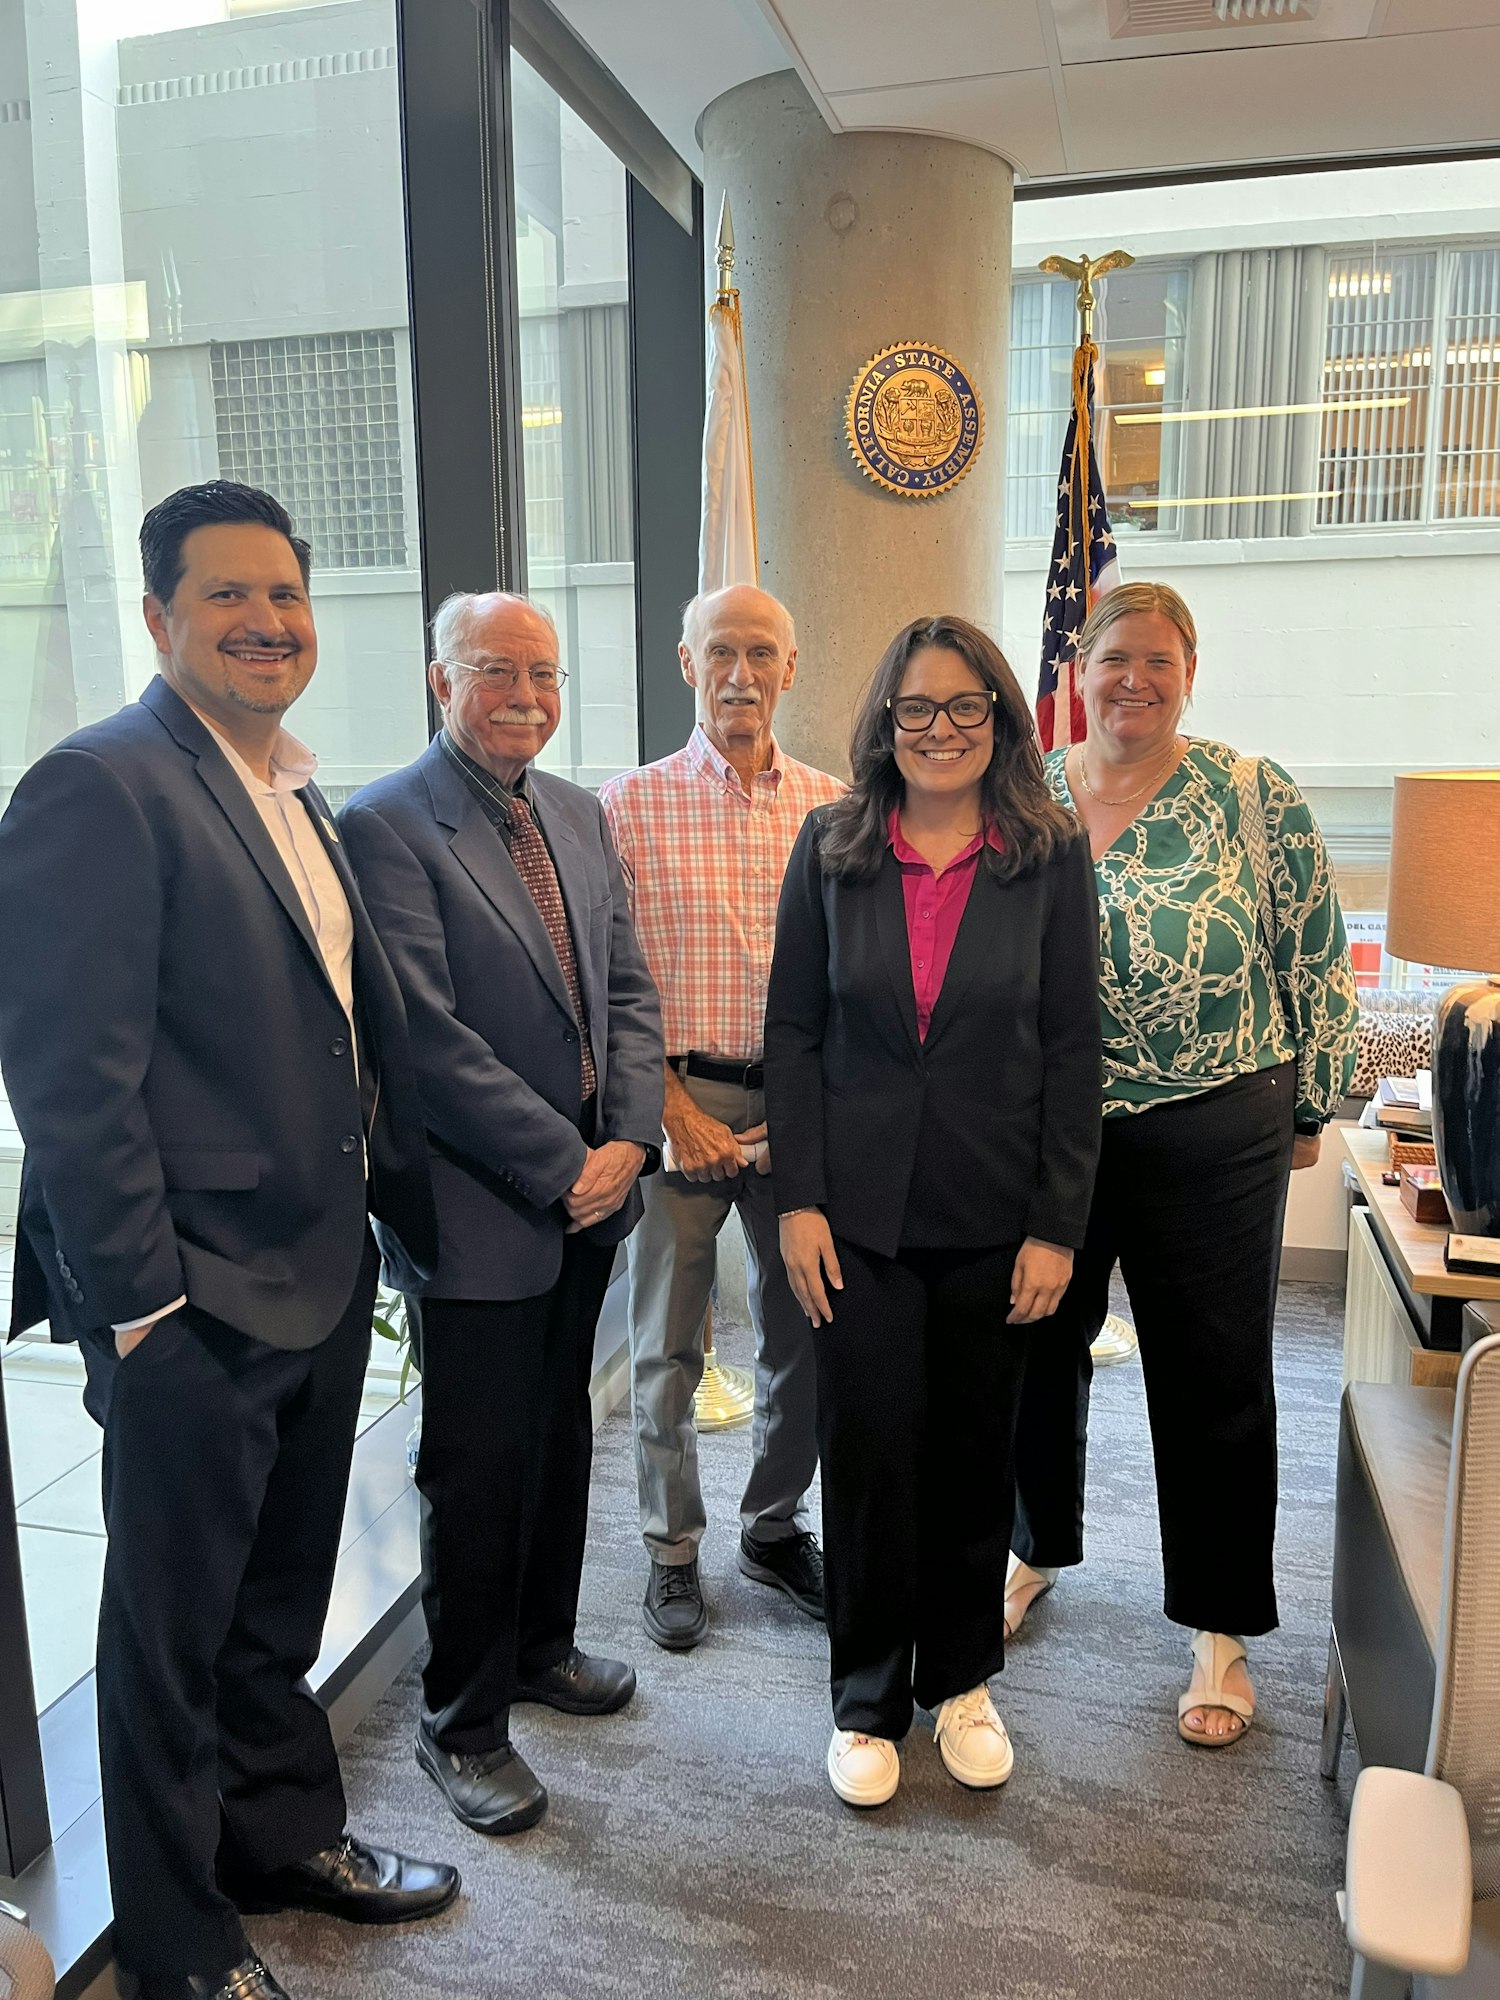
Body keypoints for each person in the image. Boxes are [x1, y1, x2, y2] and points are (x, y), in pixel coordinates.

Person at [0, 482, 457, 2000]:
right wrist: (142, 1316)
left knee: (275, 1607)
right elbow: (73, 1080)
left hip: (315, 1281)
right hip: (189, 1306)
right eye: (227, 598)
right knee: (169, 1645)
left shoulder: (288, 785)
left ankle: (286, 1838)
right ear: (157, 620)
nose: (268, 623)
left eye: (288, 595)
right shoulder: (99, 785)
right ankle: (181, 1951)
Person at [1006, 579, 1358, 1748]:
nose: (1135, 682)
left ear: (1187, 673)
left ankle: (1218, 1627)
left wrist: (1316, 1104)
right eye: (1116, 660)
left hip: (1215, 1122)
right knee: (1034, 1349)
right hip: (1052, 1130)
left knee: (1212, 1374)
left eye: (1160, 662)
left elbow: (1316, 949)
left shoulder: (1250, 793)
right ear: (1081, 670)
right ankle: (1032, 1547)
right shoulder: (1031, 792)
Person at [339, 591, 664, 1838]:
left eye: (545, 672)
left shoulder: (578, 812)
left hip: (592, 1192)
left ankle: (543, 1645)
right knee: (474, 1468)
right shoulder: (384, 824)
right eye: (496, 671)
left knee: (561, 1434)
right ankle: (460, 1720)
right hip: (479, 1207)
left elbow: (627, 983)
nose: (526, 694)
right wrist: (561, 1159)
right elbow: (423, 1035)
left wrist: (627, 1137)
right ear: (439, 680)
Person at [763, 614, 1102, 1808]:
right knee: (864, 1453)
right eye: (918, 709)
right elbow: (793, 1033)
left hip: (994, 1213)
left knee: (971, 1451)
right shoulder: (831, 844)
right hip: (853, 1216)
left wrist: (1059, 1224)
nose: (942, 729)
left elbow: (1073, 1045)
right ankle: (865, 1699)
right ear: (885, 723)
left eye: (966, 707)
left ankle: (959, 1679)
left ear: (1000, 720)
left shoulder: (1048, 854)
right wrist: (796, 1197)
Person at [599, 585, 845, 1651]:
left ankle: (773, 1525)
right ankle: (669, 1549)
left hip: (802, 1109)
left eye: (761, 652)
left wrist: (810, 1116)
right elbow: (606, 984)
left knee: (808, 1331)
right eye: (720, 653)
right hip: (678, 1104)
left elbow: (855, 987)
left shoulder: (838, 809)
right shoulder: (626, 806)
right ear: (685, 662)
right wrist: (668, 1109)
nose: (740, 673)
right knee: (666, 1342)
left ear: (791, 668)